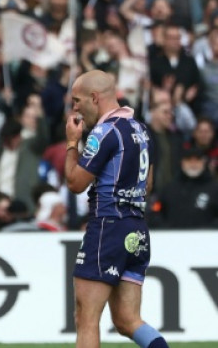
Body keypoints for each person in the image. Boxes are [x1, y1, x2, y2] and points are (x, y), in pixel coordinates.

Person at [65, 70, 169, 348]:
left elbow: (75, 183)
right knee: (127, 320)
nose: (75, 107)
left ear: (94, 98)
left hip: (108, 228)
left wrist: (72, 142)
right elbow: (147, 185)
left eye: (77, 100)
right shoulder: (141, 130)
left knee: (86, 319)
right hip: (136, 229)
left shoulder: (104, 131)